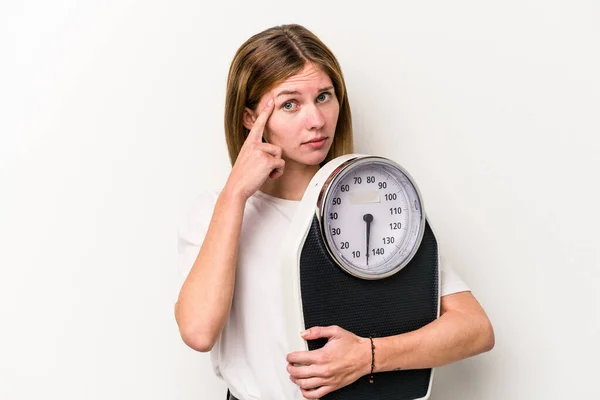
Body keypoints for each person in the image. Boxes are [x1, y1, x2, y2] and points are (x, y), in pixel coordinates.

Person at [174, 24, 495, 400]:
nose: (316, 120)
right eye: (290, 103)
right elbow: (198, 331)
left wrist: (368, 357)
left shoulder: (381, 201)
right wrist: (235, 194)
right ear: (249, 117)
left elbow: (475, 328)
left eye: (324, 97)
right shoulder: (217, 212)